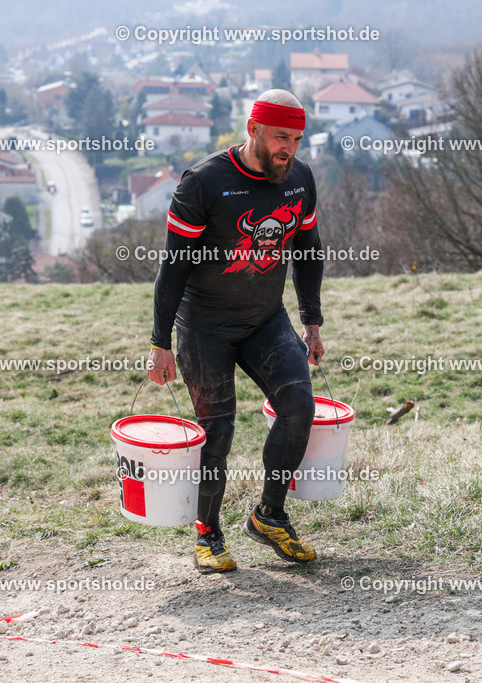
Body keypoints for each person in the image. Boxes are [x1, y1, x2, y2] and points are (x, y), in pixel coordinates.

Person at [146, 90, 324, 574]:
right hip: (204, 326)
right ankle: (207, 532)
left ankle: (269, 516)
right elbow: (173, 269)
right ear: (253, 129)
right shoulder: (204, 183)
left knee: (298, 406)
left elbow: (308, 250)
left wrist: (312, 322)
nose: (289, 147)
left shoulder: (299, 179)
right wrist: (160, 344)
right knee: (217, 432)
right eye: (280, 136)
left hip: (265, 319)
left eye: (296, 138)